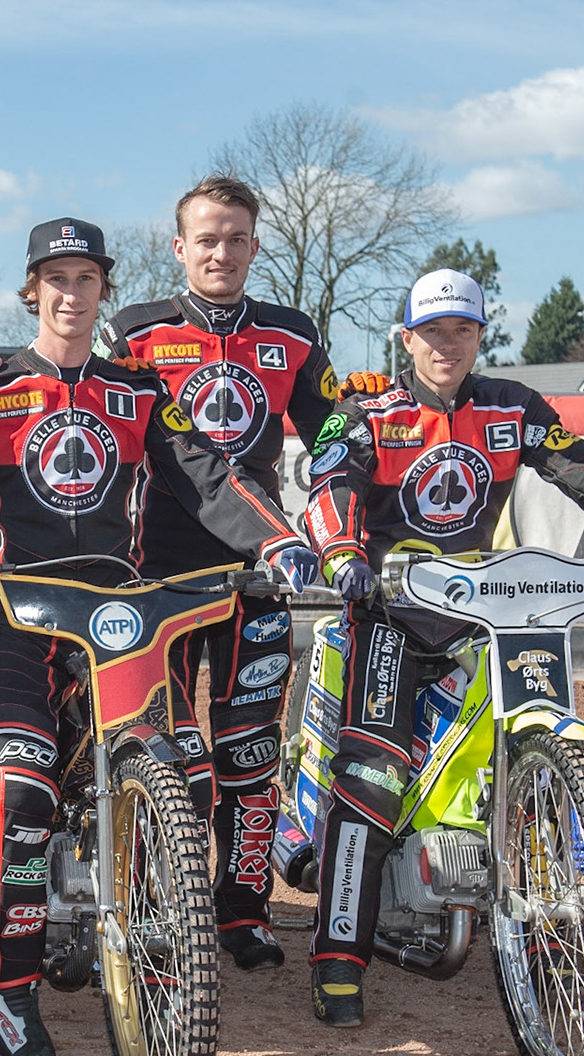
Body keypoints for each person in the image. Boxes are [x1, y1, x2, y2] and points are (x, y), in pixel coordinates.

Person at [0, 218, 318, 1056]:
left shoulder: (139, 387)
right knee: (22, 793)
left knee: (183, 773)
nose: (70, 293)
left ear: (102, 291)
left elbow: (206, 474)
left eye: (85, 278)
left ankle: (165, 959)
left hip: (122, 622)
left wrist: (277, 538)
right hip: (21, 619)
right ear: (31, 290)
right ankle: (5, 990)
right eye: (55, 278)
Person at [302, 268, 584, 1029]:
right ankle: (336, 957)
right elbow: (331, 485)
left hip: (486, 611)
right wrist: (345, 554)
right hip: (388, 610)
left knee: (528, 748)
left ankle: (554, 935)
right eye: (431, 331)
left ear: (483, 335)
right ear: (406, 337)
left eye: (462, 330)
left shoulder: (512, 407)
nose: (446, 345)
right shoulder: (365, 410)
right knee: (372, 774)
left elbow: (583, 470)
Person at [99, 175, 342, 973]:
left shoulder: (293, 334)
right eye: (207, 238)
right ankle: (155, 905)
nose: (222, 252)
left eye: (237, 238)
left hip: (260, 574)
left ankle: (243, 913)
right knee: (162, 753)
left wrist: (361, 422)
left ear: (255, 246)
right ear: (180, 248)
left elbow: (332, 428)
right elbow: (79, 401)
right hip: (155, 579)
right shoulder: (133, 331)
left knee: (249, 755)